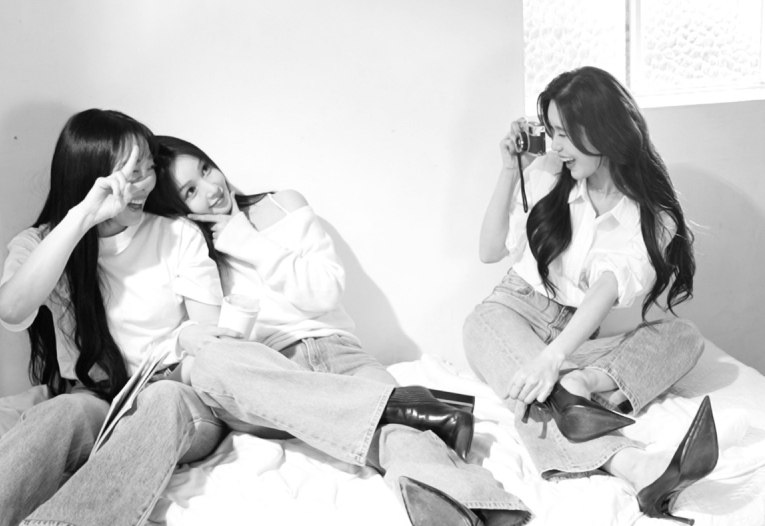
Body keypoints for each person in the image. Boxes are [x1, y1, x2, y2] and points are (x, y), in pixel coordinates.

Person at [0, 109, 233, 526]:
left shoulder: (176, 235)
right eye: (132, 174)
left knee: (162, 398)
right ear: (93, 179)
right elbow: (12, 311)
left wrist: (170, 375)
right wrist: (83, 218)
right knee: (64, 412)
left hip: (178, 398)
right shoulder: (44, 243)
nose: (146, 183)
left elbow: (208, 344)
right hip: (100, 401)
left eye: (149, 169)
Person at [154, 135, 532, 526]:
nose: (211, 189)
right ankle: (405, 407)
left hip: (339, 352)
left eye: (205, 168)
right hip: (275, 377)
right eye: (191, 191)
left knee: (393, 432)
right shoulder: (195, 254)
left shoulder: (284, 204)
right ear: (177, 209)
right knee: (395, 416)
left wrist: (246, 241)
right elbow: (219, 347)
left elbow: (324, 291)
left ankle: (473, 506)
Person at [462, 66, 718, 524]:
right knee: (514, 363)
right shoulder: (546, 174)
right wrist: (508, 171)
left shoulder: (652, 217)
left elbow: (607, 286)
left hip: (576, 335)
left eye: (565, 134)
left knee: (684, 337)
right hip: (511, 311)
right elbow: (489, 250)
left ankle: (581, 385)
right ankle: (635, 466)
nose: (556, 146)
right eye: (552, 132)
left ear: (603, 130)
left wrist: (556, 359)